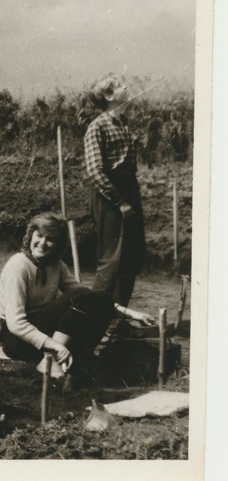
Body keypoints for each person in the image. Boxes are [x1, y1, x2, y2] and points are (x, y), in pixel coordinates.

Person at [0, 213, 155, 383]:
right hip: (16, 340)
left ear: (58, 244)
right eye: (39, 236)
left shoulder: (56, 264)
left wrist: (130, 314)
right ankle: (51, 360)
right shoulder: (18, 265)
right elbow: (15, 323)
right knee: (82, 297)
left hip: (41, 331)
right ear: (30, 236)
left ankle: (79, 359)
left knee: (101, 298)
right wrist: (55, 346)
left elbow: (89, 297)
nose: (42, 243)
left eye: (50, 239)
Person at [83, 73, 146, 307]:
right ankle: (93, 316)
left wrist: (130, 198)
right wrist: (120, 202)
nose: (126, 86)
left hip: (130, 190)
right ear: (109, 96)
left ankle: (119, 315)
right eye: (120, 85)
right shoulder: (97, 127)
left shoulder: (125, 123)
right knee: (112, 258)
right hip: (109, 195)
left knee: (131, 255)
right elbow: (95, 172)